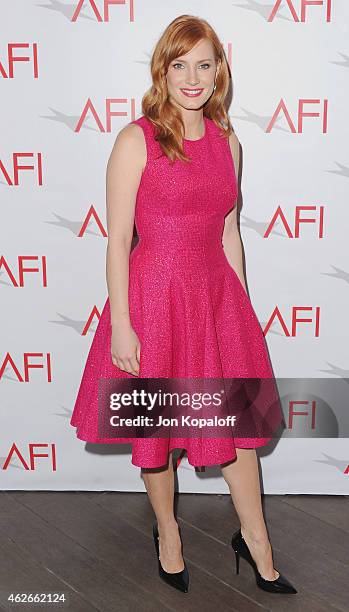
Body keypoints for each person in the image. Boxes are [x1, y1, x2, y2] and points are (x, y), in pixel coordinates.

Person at [70, 14, 297, 596]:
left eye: (204, 64)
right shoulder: (135, 139)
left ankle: (257, 542)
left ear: (219, 70)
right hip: (152, 301)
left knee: (237, 430)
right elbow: (119, 239)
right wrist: (122, 324)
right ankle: (168, 532)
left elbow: (229, 233)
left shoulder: (229, 142)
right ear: (162, 71)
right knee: (156, 433)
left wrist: (242, 308)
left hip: (216, 300)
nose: (192, 77)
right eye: (180, 65)